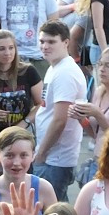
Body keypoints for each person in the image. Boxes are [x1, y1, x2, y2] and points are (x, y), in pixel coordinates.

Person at [35, 20, 87, 201]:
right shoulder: (55, 67)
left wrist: (41, 153)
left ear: (65, 42)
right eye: (42, 41)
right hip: (52, 157)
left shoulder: (65, 72)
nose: (45, 46)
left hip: (55, 159)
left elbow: (60, 120)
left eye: (51, 42)